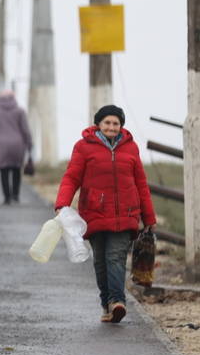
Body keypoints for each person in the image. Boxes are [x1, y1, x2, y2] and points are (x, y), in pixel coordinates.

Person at [54, 105, 156, 324]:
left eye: (116, 123)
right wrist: (62, 204)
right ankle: (106, 304)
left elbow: (141, 184)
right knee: (100, 261)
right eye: (107, 123)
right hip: (94, 213)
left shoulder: (131, 148)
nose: (112, 127)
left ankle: (118, 302)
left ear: (121, 126)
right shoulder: (83, 147)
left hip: (126, 214)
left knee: (115, 257)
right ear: (98, 124)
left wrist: (149, 218)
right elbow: (72, 177)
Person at [0, 90, 32, 204]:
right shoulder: (20, 111)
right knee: (16, 169)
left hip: (2, 143)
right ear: (13, 97)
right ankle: (15, 194)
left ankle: (7, 197)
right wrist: (29, 143)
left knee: (4, 171)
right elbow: (25, 130)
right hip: (18, 144)